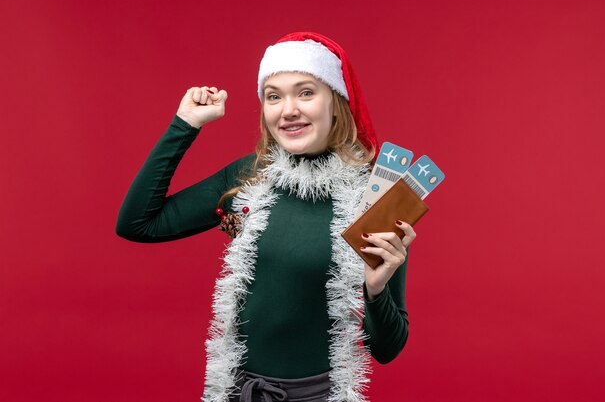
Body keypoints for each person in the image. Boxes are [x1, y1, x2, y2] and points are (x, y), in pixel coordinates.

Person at [116, 32, 416, 402]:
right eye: (274, 96)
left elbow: (387, 350)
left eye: (305, 92)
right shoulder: (249, 176)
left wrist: (375, 288)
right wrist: (185, 124)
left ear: (336, 103)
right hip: (237, 391)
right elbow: (137, 224)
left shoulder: (374, 197)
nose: (287, 109)